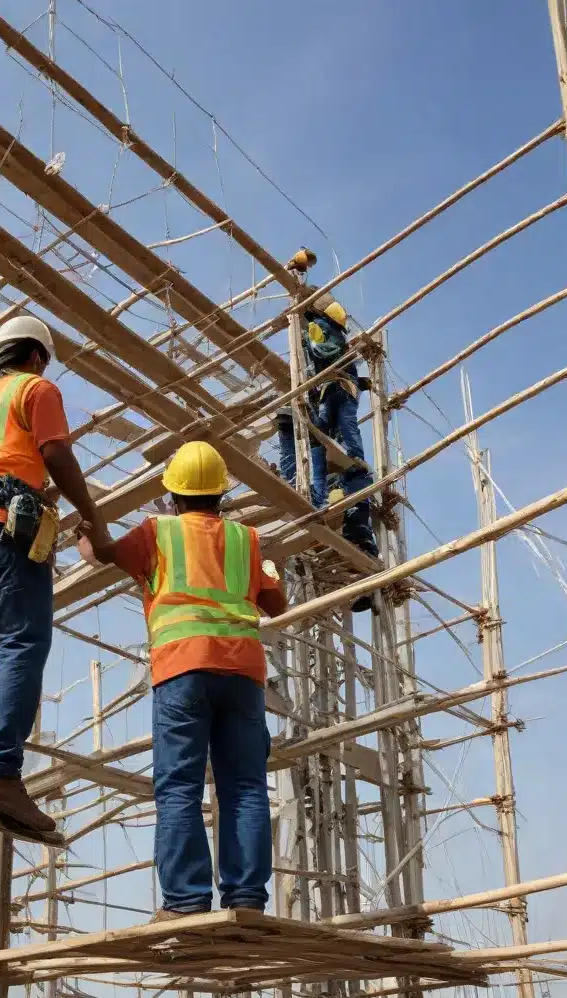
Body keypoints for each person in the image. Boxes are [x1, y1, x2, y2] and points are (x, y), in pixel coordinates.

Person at [79, 441, 287, 920]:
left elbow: (107, 554)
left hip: (182, 668)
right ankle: (248, 899)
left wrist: (85, 540)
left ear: (172, 495)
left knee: (179, 787)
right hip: (243, 674)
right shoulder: (246, 540)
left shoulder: (158, 532)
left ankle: (187, 902)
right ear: (221, 494)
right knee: (246, 787)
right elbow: (277, 605)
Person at [0, 315, 113, 836]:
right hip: (4, 527)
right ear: (38, 355)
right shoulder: (36, 388)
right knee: (23, 643)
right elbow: (54, 452)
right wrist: (92, 514)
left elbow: (0, 463)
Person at [275, 299, 378, 559]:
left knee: (323, 440)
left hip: (331, 389)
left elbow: (321, 351)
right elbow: (323, 353)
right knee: (328, 438)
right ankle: (322, 500)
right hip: (331, 391)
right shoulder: (327, 332)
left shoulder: (321, 330)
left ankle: (320, 500)